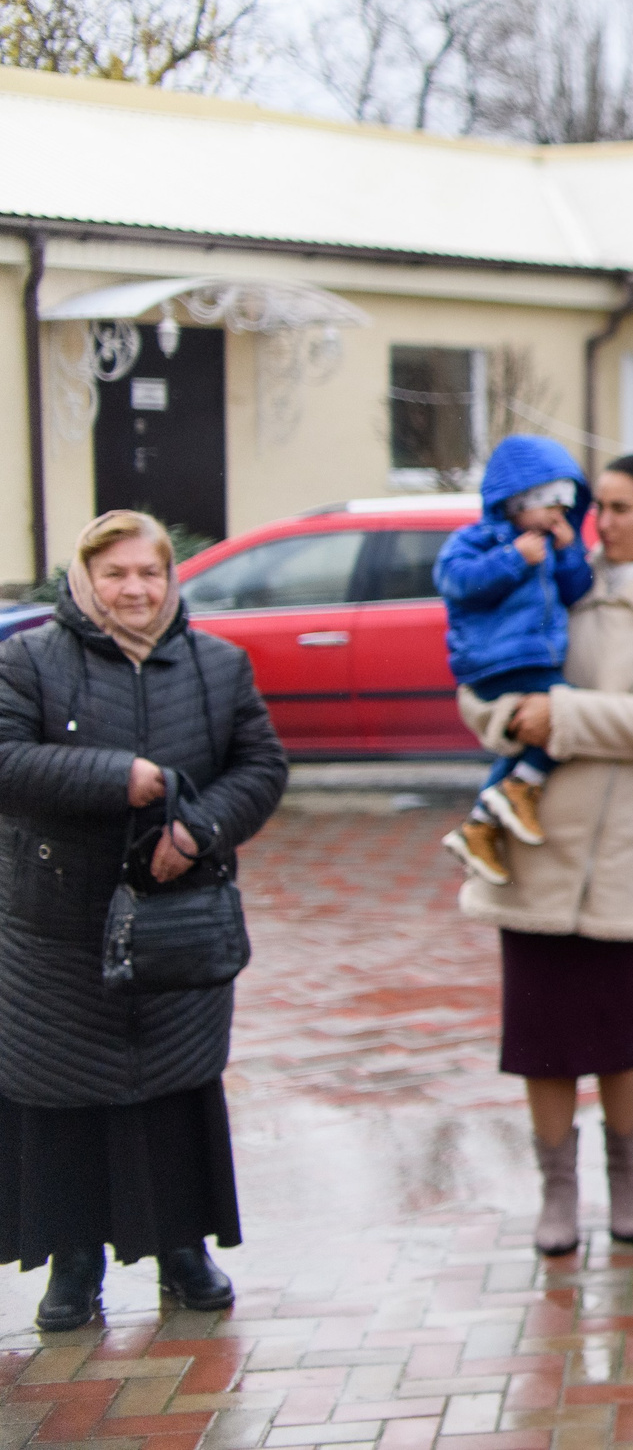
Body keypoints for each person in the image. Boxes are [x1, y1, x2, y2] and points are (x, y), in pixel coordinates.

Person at [0, 510, 287, 1331]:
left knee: (174, 1087)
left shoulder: (218, 665)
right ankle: (73, 1260)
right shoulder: (27, 660)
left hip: (176, 918)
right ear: (85, 579)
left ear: (170, 577)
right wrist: (115, 777)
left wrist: (199, 829)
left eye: (149, 572)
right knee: (64, 1092)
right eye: (116, 573)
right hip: (56, 925)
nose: (135, 588)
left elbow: (262, 766)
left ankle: (183, 1248)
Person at [455, 451, 633, 1256]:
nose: (599, 522)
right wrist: (507, 717)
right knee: (538, 1035)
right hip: (533, 844)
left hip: (623, 853)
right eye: (594, 505)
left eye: (620, 507)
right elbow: (480, 673)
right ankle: (558, 1189)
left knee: (618, 1032)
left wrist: (562, 717)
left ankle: (627, 1177)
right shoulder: (554, 575)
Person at [434, 435, 593, 887]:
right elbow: (457, 581)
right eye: (550, 506)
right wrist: (512, 559)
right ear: (517, 500)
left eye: (565, 509)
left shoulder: (548, 545)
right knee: (570, 714)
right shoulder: (479, 540)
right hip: (497, 659)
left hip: (534, 658)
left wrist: (569, 552)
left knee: (544, 731)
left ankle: (481, 825)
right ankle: (518, 790)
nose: (559, 516)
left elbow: (576, 591)